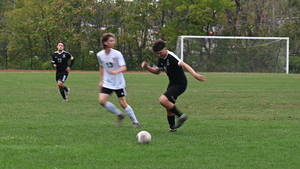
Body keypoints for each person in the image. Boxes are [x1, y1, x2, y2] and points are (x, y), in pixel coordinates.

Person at [141, 39, 206, 132]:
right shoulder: (161, 58)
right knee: (169, 106)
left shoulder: (171, 56)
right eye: (157, 54)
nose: (159, 55)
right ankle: (173, 128)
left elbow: (184, 64)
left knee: (163, 100)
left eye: (160, 52)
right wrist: (147, 67)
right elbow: (157, 71)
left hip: (180, 83)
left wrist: (195, 74)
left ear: (165, 49)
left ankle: (181, 116)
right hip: (172, 83)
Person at [96, 33, 140, 127]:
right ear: (105, 42)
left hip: (118, 83)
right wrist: (101, 80)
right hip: (108, 82)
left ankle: (135, 121)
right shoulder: (100, 55)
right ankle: (119, 114)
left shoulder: (117, 54)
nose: (113, 42)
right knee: (101, 101)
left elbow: (124, 67)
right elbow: (101, 67)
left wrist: (116, 72)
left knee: (122, 103)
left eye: (113, 40)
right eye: (111, 41)